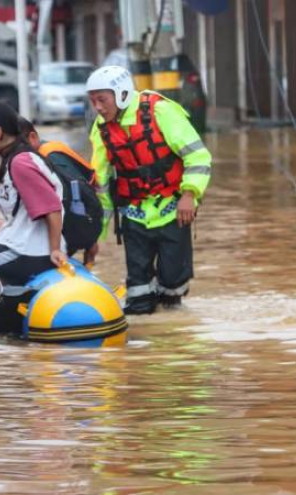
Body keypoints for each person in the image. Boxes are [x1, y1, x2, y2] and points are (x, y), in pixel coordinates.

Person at [86, 65, 212, 314]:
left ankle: (172, 340)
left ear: (121, 93)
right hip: (134, 216)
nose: (98, 108)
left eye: (102, 100)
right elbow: (99, 187)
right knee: (138, 295)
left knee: (172, 290)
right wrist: (94, 238)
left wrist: (190, 195)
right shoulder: (102, 129)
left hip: (174, 211)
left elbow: (198, 157)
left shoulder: (160, 112)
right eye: (93, 102)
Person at [0, 102, 67, 286]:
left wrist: (55, 249)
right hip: (25, 244)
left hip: (33, 251)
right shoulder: (14, 158)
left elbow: (52, 208)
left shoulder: (20, 163)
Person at [17, 117, 103, 264]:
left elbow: (81, 193)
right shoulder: (36, 156)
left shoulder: (51, 157)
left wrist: (90, 239)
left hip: (83, 215)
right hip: (80, 211)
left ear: (33, 138)